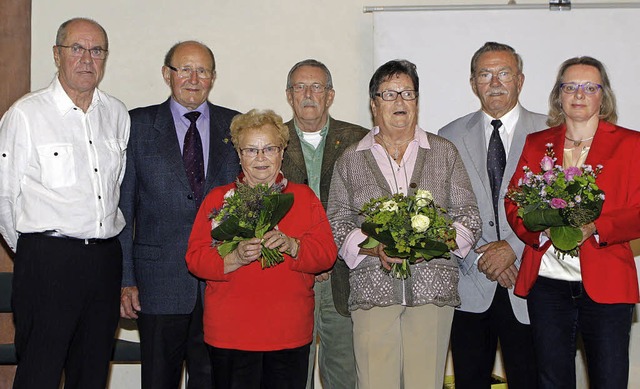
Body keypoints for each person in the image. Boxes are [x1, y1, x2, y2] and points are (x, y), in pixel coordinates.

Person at [327, 59, 482, 389]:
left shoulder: (444, 152)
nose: (399, 102)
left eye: (407, 93)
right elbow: (337, 222)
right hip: (373, 291)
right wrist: (374, 248)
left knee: (425, 383)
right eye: (389, 93)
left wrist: (435, 244)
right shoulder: (351, 158)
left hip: (432, 292)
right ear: (373, 104)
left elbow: (469, 216)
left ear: (417, 101)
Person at [0, 18, 129, 388]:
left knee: (91, 373)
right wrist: (34, 247)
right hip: (48, 261)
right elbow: (4, 196)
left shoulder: (117, 114)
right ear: (57, 55)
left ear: (105, 58)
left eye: (97, 50)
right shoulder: (26, 114)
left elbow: (113, 187)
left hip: (104, 260)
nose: (87, 58)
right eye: (77, 48)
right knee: (39, 370)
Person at [505, 56, 640, 388]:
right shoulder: (538, 144)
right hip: (547, 286)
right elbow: (513, 200)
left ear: (602, 96)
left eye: (589, 87)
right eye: (570, 87)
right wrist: (539, 228)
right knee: (551, 381)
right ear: (558, 95)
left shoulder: (631, 144)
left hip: (607, 287)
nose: (579, 95)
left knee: (609, 380)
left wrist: (596, 226)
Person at [118, 41, 240, 388]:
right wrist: (126, 279)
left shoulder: (234, 126)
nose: (193, 78)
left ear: (213, 77)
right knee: (159, 379)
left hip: (219, 281)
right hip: (158, 282)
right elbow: (124, 207)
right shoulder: (138, 125)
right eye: (184, 69)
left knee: (212, 379)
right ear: (166, 74)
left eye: (202, 70)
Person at [185, 109, 337, 389]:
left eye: (269, 148)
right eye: (251, 150)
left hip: (288, 333)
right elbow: (195, 259)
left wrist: (294, 246)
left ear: (282, 152)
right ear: (239, 155)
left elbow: (327, 254)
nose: (261, 158)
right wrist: (234, 258)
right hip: (231, 335)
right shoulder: (219, 200)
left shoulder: (303, 198)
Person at [438, 42, 545, 388]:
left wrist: (512, 249)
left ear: (520, 80)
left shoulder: (548, 133)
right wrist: (487, 257)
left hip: (530, 283)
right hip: (471, 281)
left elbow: (556, 208)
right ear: (473, 83)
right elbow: (445, 209)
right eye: (485, 74)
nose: (495, 82)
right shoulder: (449, 136)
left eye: (504, 73)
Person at [282, 59, 368, 389]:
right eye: (299, 87)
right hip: (290, 276)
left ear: (330, 95)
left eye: (316, 87)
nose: (308, 94)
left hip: (343, 277)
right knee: (290, 374)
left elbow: (368, 208)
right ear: (289, 95)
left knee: (344, 376)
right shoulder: (271, 141)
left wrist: (333, 252)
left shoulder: (358, 139)